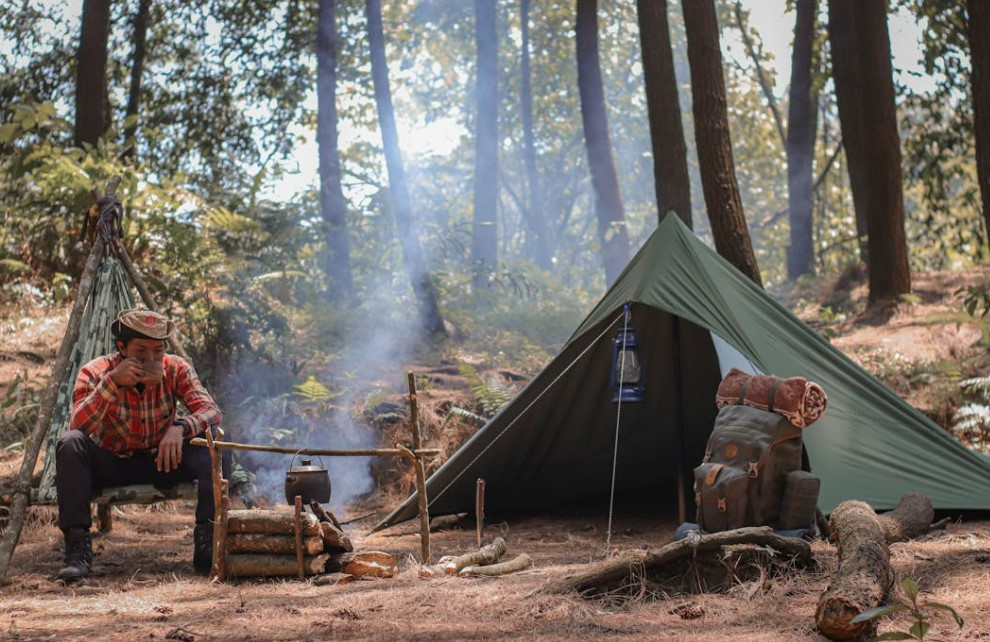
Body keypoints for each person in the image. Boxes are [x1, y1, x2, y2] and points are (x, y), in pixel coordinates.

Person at [54, 309, 227, 581]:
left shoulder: (175, 368)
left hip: (162, 460)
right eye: (140, 352)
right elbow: (78, 423)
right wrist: (112, 383)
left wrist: (180, 428)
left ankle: (208, 543)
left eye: (158, 351)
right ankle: (77, 551)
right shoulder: (96, 371)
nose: (151, 360)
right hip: (113, 461)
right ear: (121, 349)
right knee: (70, 444)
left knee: (215, 439)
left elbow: (211, 411)